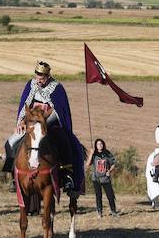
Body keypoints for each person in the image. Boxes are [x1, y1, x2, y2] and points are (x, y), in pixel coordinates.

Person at [6, 61, 83, 194]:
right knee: (11, 142)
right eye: (37, 77)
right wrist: (21, 122)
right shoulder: (31, 85)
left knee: (65, 141)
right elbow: (25, 106)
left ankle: (67, 175)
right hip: (31, 119)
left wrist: (44, 121)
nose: (39, 80)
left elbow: (59, 109)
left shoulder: (57, 88)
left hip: (50, 118)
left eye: (41, 78)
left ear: (48, 76)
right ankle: (13, 175)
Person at [87, 138, 120, 217]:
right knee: (98, 196)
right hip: (96, 179)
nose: (100, 145)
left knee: (110, 195)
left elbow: (113, 163)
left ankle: (113, 211)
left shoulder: (107, 153)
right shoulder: (94, 154)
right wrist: (91, 154)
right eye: (98, 144)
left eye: (101, 144)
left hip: (105, 179)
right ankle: (99, 212)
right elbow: (88, 164)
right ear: (96, 145)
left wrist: (110, 171)